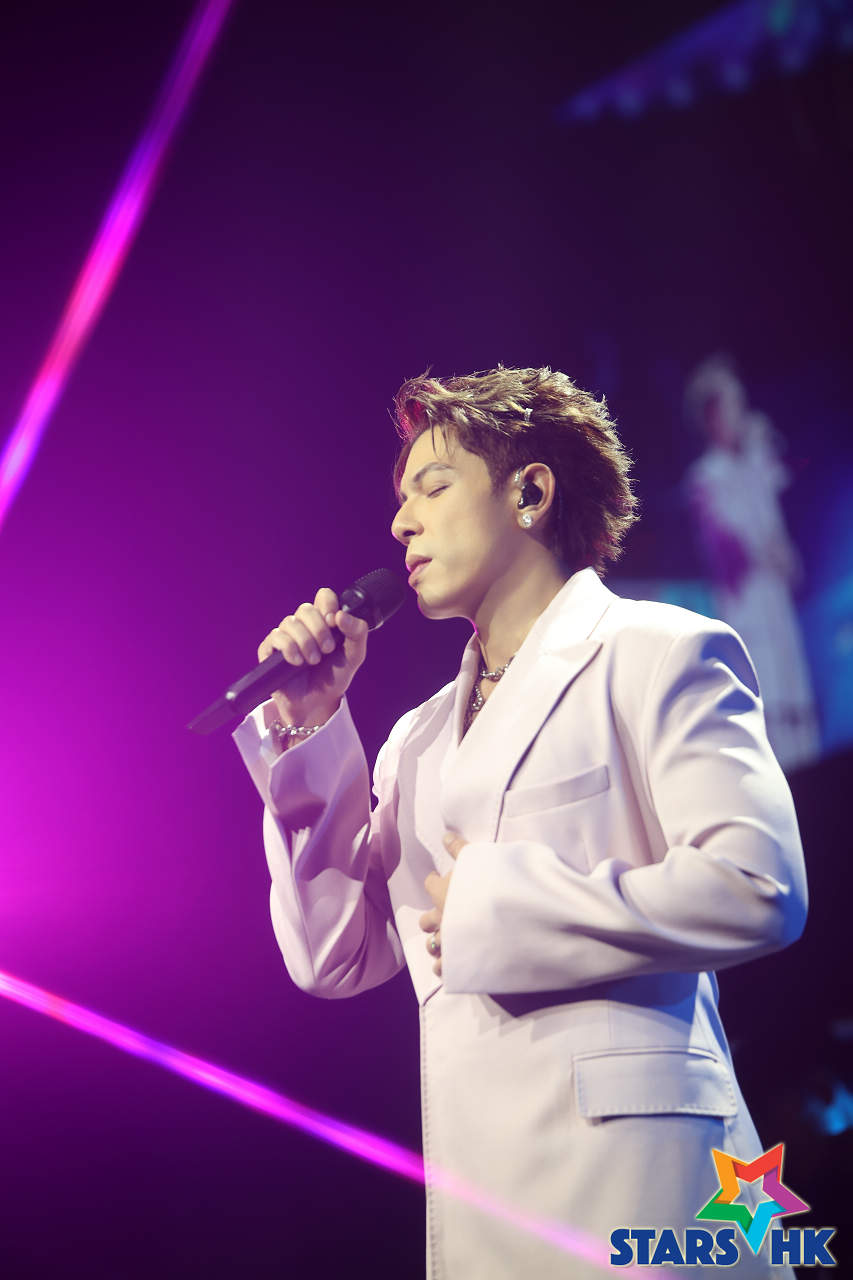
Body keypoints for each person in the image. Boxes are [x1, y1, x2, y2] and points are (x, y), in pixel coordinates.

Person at [233, 366, 807, 1278]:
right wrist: (309, 727)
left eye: (432, 487)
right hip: (483, 1211)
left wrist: (500, 904)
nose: (401, 523)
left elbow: (757, 885)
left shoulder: (659, 651)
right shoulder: (414, 739)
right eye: (400, 500)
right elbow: (334, 958)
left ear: (529, 493)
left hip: (641, 1193)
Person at [684, 356, 820, 772]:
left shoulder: (755, 464)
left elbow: (776, 529)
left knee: (797, 703)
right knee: (770, 705)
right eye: (732, 405)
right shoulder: (706, 477)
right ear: (712, 415)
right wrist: (763, 552)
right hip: (748, 604)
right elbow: (726, 550)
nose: (741, 415)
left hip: (776, 601)